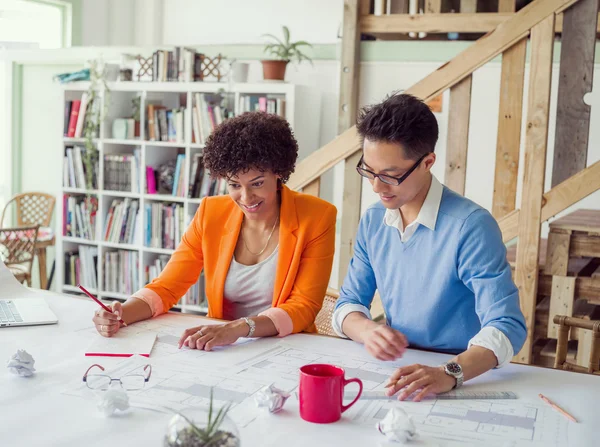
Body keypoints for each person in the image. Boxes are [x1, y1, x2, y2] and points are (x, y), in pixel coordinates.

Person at [332, 93, 526, 401]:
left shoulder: (471, 226)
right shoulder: (373, 221)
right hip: (399, 369)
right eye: (369, 170)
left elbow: (507, 326)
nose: (376, 186)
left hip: (461, 371)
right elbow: (347, 305)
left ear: (428, 162)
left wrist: (450, 373)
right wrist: (368, 331)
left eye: (390, 176)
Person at [93, 112, 337, 351]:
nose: (246, 197)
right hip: (224, 349)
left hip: (286, 347)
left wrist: (239, 329)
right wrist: (122, 313)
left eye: (257, 183)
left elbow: (304, 306)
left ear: (279, 172)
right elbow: (167, 286)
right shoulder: (211, 212)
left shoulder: (316, 217)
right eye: (234, 185)